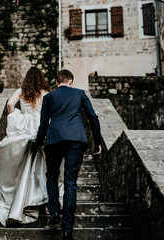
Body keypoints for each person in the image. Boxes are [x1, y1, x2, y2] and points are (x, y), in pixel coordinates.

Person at [0, 67, 63, 226]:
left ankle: (20, 199)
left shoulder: (21, 90)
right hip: (41, 127)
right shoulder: (46, 94)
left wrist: (17, 116)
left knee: (24, 161)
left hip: (24, 126)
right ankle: (39, 197)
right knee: (41, 160)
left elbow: (10, 104)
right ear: (42, 78)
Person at [36, 69, 102, 240]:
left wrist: (38, 142)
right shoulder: (80, 94)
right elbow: (93, 118)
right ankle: (67, 230)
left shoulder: (49, 97)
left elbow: (43, 124)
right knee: (70, 182)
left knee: (51, 174)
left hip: (54, 139)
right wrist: (97, 142)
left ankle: (54, 211)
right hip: (76, 139)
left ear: (56, 83)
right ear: (71, 81)